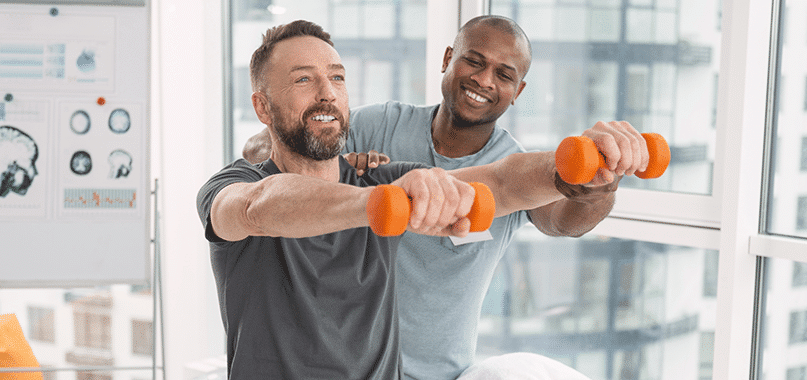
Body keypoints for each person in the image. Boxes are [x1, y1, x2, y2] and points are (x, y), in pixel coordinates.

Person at [198, 20, 647, 379]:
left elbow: (502, 181)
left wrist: (577, 166)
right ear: (262, 106)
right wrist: (373, 203)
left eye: (337, 77)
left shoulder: (387, 176)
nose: (327, 92)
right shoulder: (234, 185)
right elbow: (259, 205)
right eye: (303, 79)